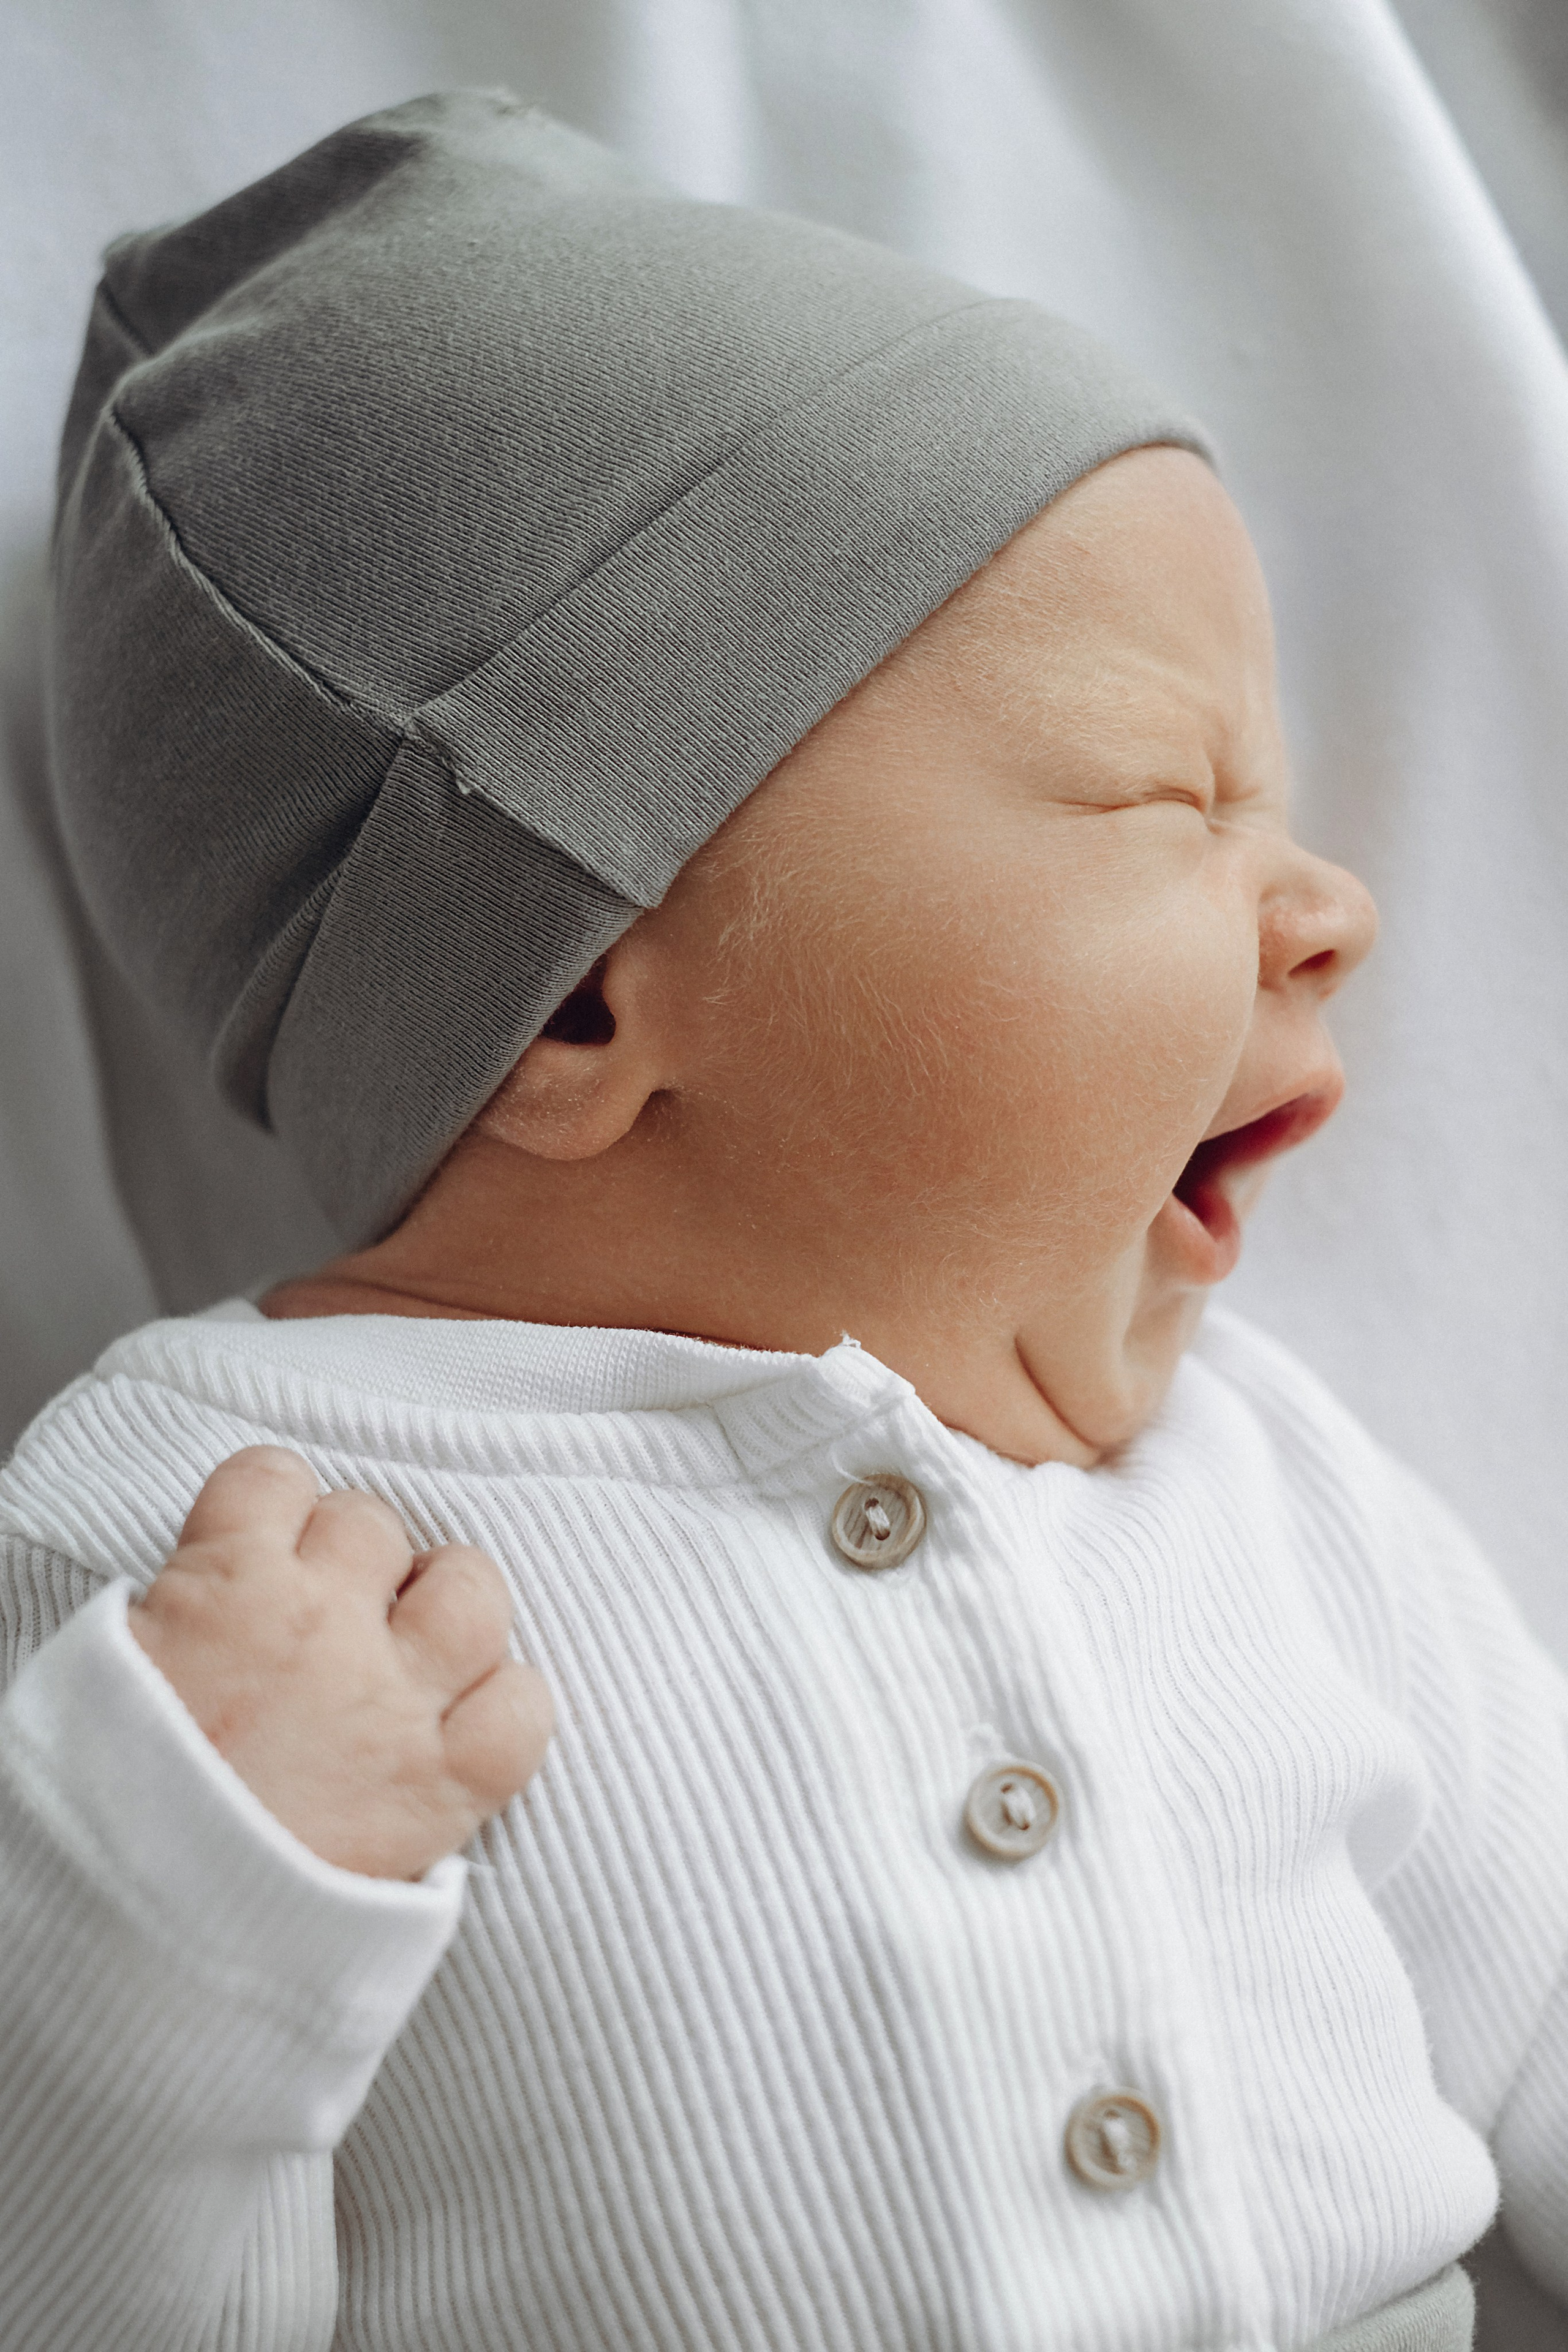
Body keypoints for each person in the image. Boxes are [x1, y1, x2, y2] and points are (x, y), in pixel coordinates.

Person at [1, 87, 1561, 2352]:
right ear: (578, 1003)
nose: (1330, 910)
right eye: (1165, 794)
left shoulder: (1269, 1493)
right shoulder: (201, 1567)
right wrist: (160, 1912)